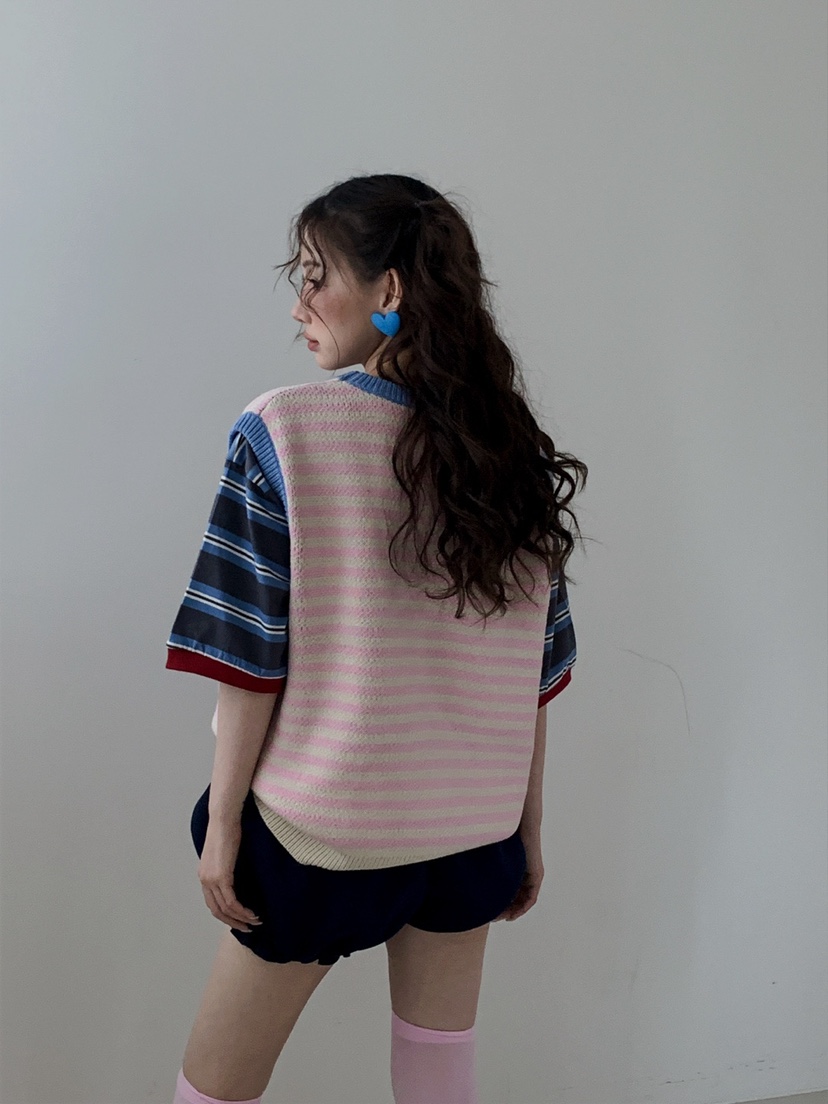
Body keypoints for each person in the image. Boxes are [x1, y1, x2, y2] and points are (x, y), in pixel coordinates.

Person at [165, 173, 588, 1104]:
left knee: (214, 1092)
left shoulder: (284, 431)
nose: (300, 305)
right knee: (439, 1080)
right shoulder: (509, 454)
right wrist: (527, 828)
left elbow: (248, 655)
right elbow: (532, 671)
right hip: (471, 835)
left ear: (389, 289)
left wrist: (224, 826)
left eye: (317, 277)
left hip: (323, 836)